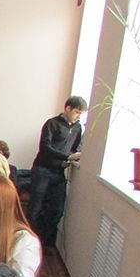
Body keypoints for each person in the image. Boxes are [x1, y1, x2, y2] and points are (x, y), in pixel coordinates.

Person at [27, 96, 87, 248]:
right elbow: (45, 148)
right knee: (35, 208)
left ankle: (41, 242)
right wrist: (66, 156)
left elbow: (74, 148)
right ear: (68, 108)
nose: (78, 116)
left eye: (81, 114)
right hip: (42, 170)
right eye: (77, 112)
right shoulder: (51, 123)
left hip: (59, 172)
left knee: (57, 210)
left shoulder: (78, 128)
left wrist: (69, 158)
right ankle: (28, 242)